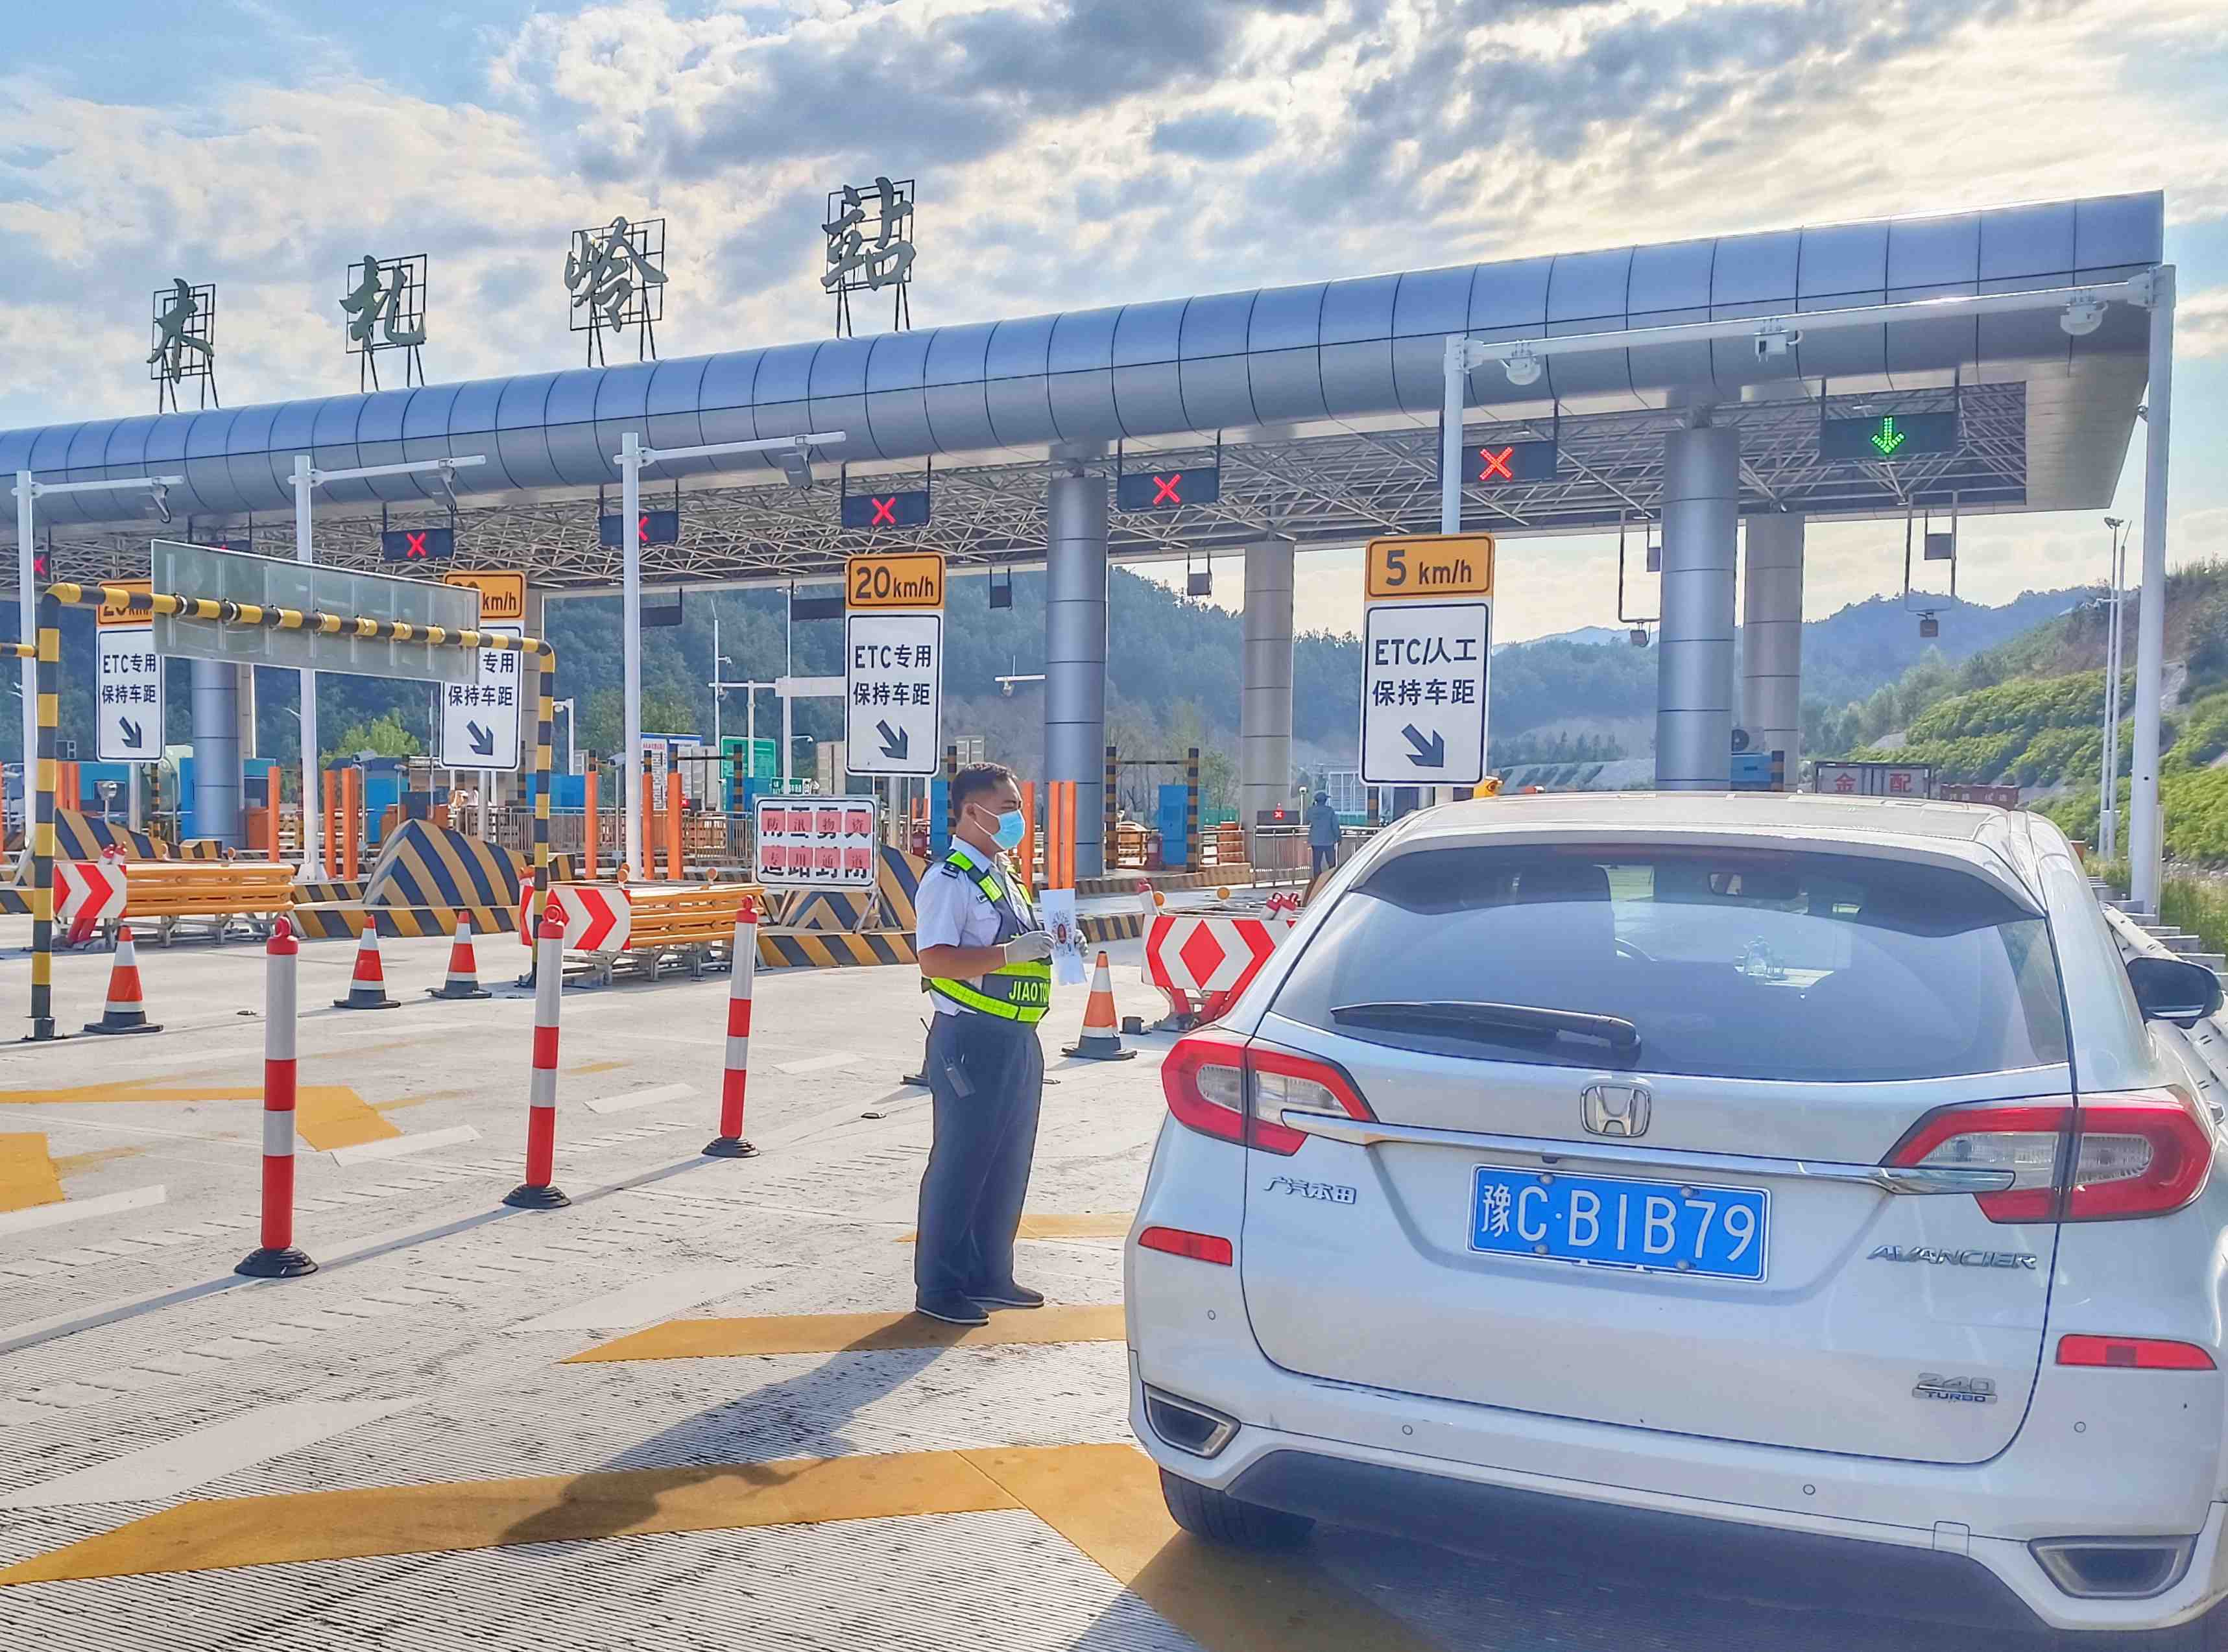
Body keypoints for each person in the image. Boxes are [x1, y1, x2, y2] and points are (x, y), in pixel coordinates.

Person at [911, 762, 1056, 1326]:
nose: (1018, 817)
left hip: (1017, 1038)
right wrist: (1007, 955)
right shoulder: (948, 880)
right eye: (1008, 807)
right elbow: (934, 959)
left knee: (1007, 1162)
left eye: (1019, 805)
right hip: (970, 1040)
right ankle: (940, 1286)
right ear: (971, 811)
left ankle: (991, 1272)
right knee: (960, 1163)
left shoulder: (1003, 875)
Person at [1306, 789, 1341, 885]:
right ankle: (1331, 880)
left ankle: (1317, 881)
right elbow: (1335, 825)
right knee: (1331, 862)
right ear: (1325, 800)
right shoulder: (1330, 811)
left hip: (1316, 840)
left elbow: (1307, 821)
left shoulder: (1311, 810)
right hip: (1328, 840)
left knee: (1317, 863)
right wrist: (1338, 837)